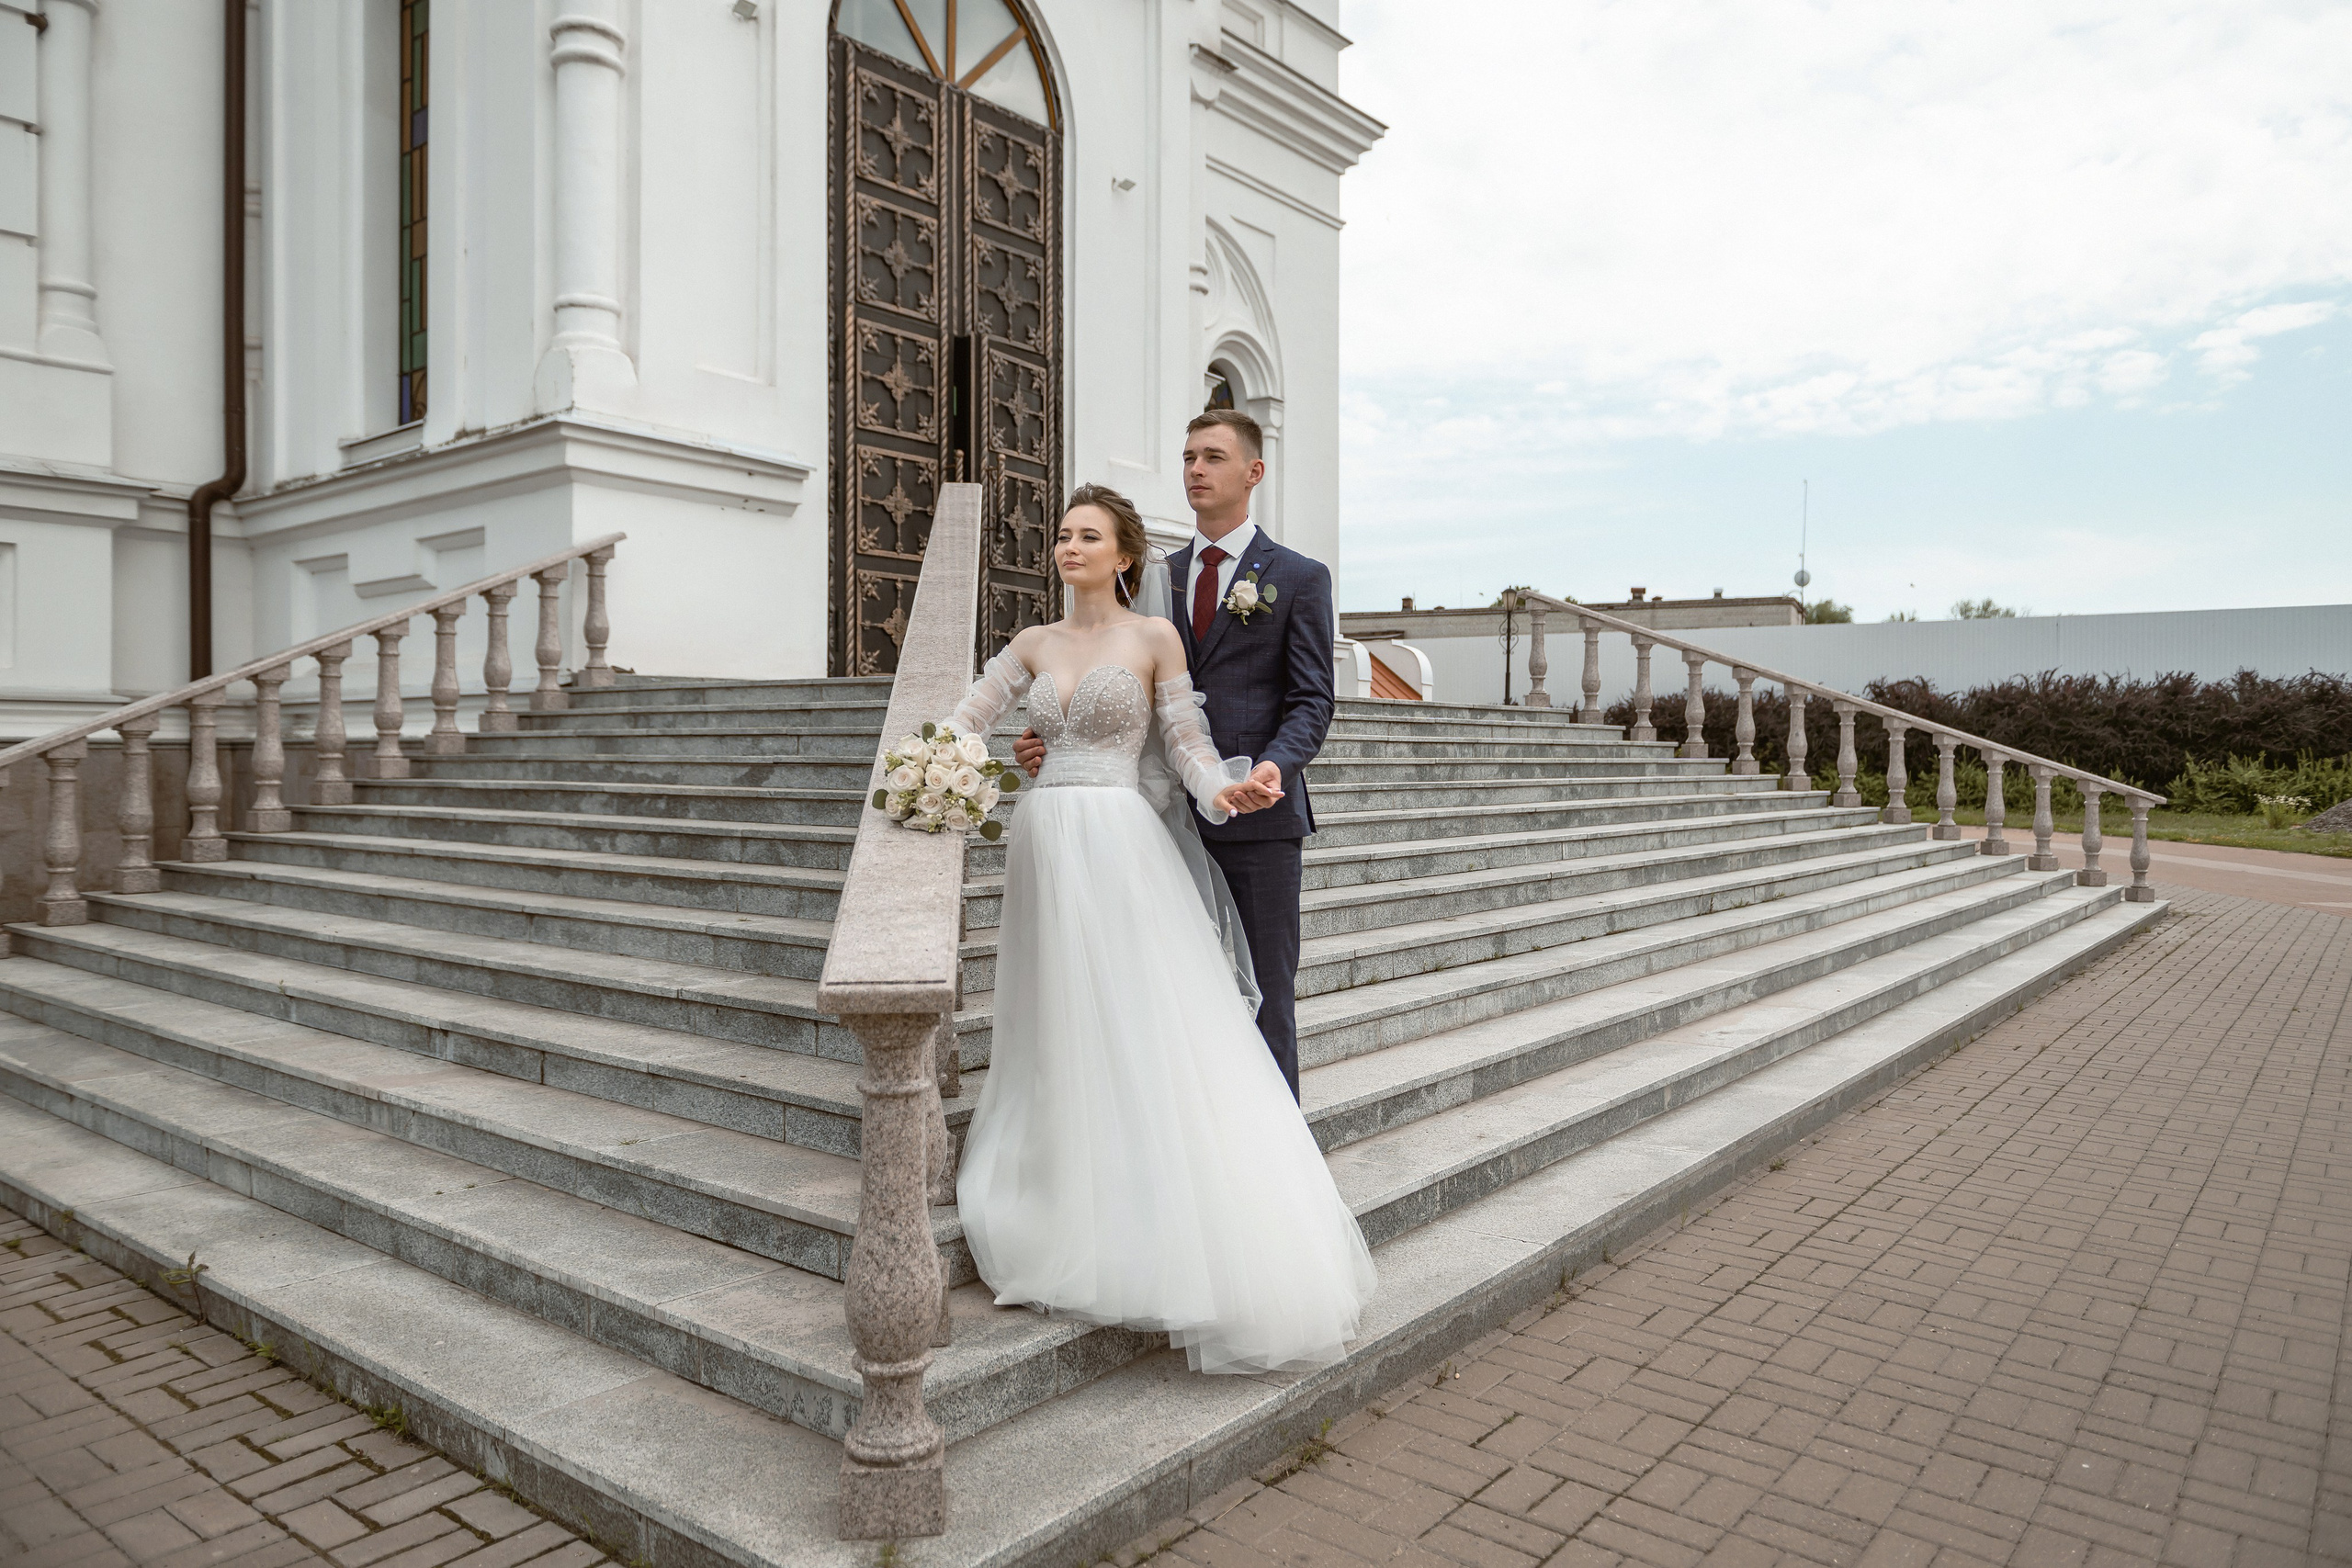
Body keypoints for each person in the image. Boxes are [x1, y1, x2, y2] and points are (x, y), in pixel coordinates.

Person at [939, 483, 1374, 1375]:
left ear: (1124, 554)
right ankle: (1058, 1192)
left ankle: (1151, 1206)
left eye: (1087, 535)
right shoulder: (1030, 643)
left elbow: (1182, 743)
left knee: (1135, 1019)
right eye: (1061, 535)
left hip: (1120, 843)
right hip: (1041, 843)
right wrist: (929, 767)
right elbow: (964, 719)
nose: (1068, 547)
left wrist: (1227, 789)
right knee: (1052, 1020)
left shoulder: (1153, 637)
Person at [1015, 410, 1334, 1100]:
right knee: (1159, 995)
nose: (1195, 469)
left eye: (1213, 457)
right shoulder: (1154, 575)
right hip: (1146, 822)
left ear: (1253, 472)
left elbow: (1312, 699)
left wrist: (1276, 762)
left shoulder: (1300, 578)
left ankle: (1273, 1156)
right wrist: (1059, 732)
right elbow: (1104, 669)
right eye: (1188, 456)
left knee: (1263, 993)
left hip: (1256, 817)